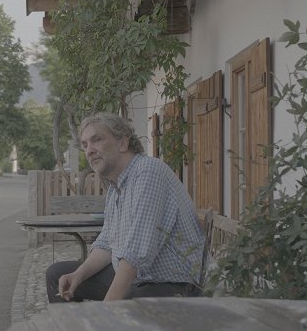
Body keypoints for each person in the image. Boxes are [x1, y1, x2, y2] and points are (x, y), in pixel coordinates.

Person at [46, 112, 205, 302]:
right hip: (141, 279)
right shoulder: (116, 187)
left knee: (129, 297)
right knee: (57, 275)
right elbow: (107, 245)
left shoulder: (148, 172)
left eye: (96, 140)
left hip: (176, 285)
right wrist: (78, 275)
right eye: (85, 145)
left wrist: (106, 311)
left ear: (122, 143)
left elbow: (134, 258)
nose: (89, 150)